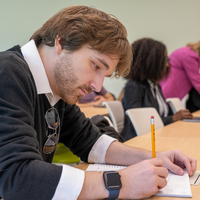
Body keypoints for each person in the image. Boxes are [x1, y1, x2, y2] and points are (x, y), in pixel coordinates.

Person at [0, 6, 196, 200]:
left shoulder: (57, 89)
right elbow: (17, 178)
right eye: (95, 65)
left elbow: (91, 142)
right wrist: (120, 182)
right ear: (60, 42)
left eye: (105, 74)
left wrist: (152, 157)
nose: (97, 85)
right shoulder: (7, 73)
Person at [121, 38, 193, 141]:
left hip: (159, 136)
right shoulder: (134, 86)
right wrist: (173, 118)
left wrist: (177, 116)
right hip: (140, 141)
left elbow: (163, 115)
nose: (167, 64)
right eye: (164, 60)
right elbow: (139, 123)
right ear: (151, 62)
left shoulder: (155, 85)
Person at [160, 40, 200, 112]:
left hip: (166, 87)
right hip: (170, 90)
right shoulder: (190, 56)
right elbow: (197, 82)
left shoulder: (187, 51)